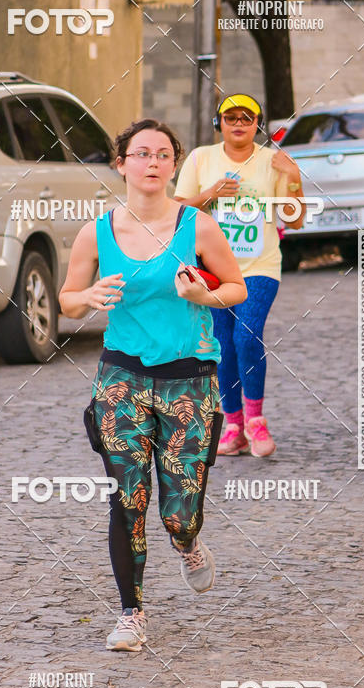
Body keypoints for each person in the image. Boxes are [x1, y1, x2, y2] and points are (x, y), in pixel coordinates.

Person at [58, 118, 246, 652]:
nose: (152, 163)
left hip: (189, 379)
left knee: (178, 509)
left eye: (163, 154)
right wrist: (88, 296)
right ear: (122, 164)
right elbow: (67, 299)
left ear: (172, 165)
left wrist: (203, 297)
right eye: (141, 153)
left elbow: (236, 286)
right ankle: (131, 613)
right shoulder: (95, 233)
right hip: (121, 380)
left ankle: (187, 542)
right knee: (128, 497)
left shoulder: (199, 226)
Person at [174, 93, 305, 457]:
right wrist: (211, 194)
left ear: (256, 125)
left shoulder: (273, 162)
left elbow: (294, 218)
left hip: (260, 267)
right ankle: (232, 425)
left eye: (247, 118)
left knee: (248, 337)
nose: (239, 123)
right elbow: (176, 211)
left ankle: (255, 421)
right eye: (231, 117)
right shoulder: (202, 158)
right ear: (220, 124)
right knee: (223, 343)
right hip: (213, 270)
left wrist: (293, 176)